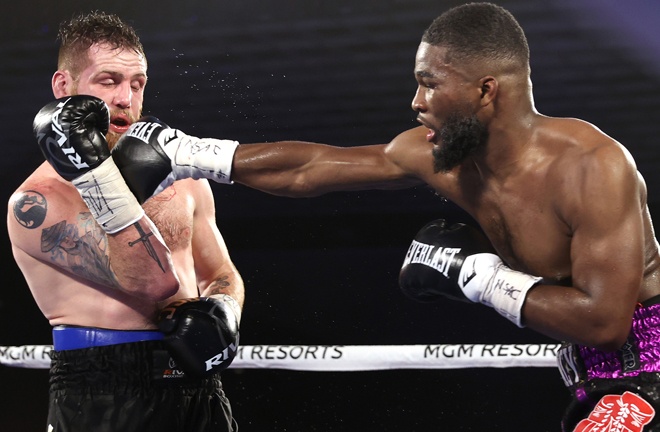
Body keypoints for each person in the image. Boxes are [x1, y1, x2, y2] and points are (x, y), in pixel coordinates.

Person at [112, 2, 660, 430]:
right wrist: (190, 152)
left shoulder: (592, 166)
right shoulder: (438, 153)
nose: (416, 101)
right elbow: (314, 168)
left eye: (430, 82)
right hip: (595, 385)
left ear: (486, 90)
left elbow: (605, 324)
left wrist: (478, 276)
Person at [7, 11, 243, 432]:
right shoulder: (38, 202)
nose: (125, 99)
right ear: (64, 88)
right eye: (109, 80)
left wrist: (226, 309)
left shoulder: (182, 181)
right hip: (102, 392)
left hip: (199, 387)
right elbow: (152, 283)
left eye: (137, 84)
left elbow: (221, 273)